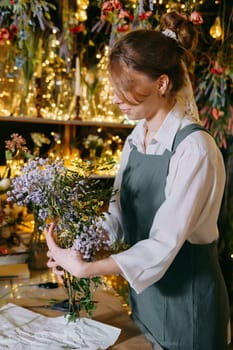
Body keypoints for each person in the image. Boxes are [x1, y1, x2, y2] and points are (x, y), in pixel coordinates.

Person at [45, 11, 230, 350]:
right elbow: (118, 214)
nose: (116, 98)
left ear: (161, 83)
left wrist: (88, 269)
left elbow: (162, 244)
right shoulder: (136, 139)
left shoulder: (194, 149)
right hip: (145, 300)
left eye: (126, 86)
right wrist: (79, 247)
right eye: (114, 87)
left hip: (188, 307)